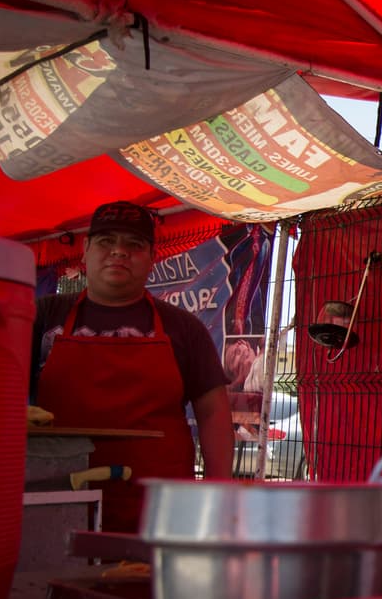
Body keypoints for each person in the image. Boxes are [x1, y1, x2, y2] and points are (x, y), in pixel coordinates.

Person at [31, 201, 233, 532]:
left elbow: (213, 412)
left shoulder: (184, 328)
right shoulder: (43, 315)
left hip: (158, 512)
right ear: (85, 250)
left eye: (134, 244)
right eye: (106, 241)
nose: (119, 251)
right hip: (57, 500)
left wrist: (219, 495)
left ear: (152, 257)